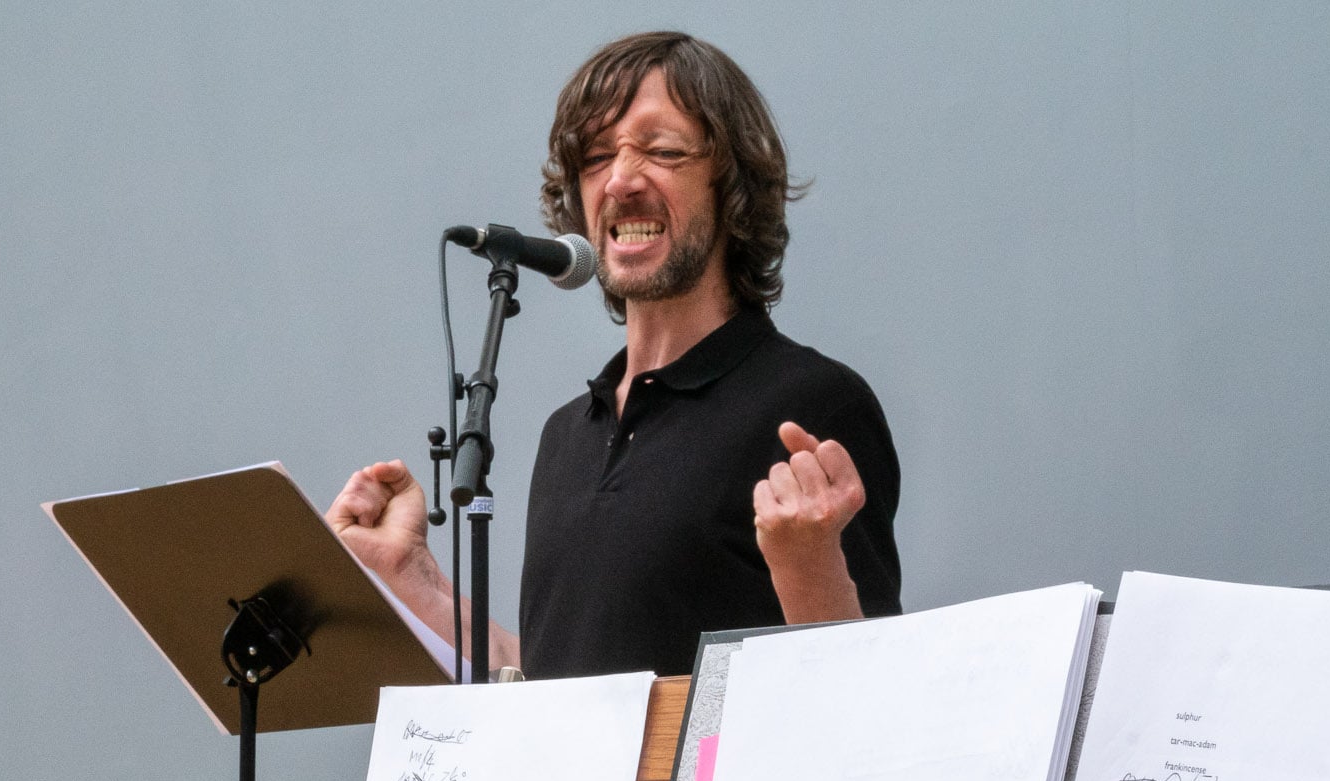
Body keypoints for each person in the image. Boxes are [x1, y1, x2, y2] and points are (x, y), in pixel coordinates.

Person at [331, 30, 902, 679]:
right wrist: (411, 576)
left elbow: (870, 699)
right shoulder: (566, 436)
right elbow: (558, 686)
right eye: (597, 157)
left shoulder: (812, 404)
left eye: (663, 150)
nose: (622, 180)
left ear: (731, 185)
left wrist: (811, 568)